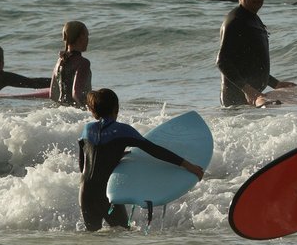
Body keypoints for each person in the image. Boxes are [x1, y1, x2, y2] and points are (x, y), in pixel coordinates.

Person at [78, 88, 205, 231]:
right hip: (105, 193)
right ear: (116, 108)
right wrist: (188, 166)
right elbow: (155, 150)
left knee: (92, 239)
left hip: (85, 192)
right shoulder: (122, 130)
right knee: (123, 232)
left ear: (94, 111)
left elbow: (83, 165)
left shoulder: (87, 130)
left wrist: (111, 157)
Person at [216, 0, 295, 107]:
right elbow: (222, 61)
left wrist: (275, 84)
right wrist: (247, 90)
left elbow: (250, 64)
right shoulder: (235, 21)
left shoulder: (252, 18)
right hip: (236, 103)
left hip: (251, 99)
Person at [50, 21, 93, 107]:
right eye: (87, 35)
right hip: (77, 114)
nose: (88, 39)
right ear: (81, 37)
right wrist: (90, 111)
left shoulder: (60, 61)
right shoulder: (83, 63)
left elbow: (52, 95)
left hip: (62, 111)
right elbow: (76, 93)